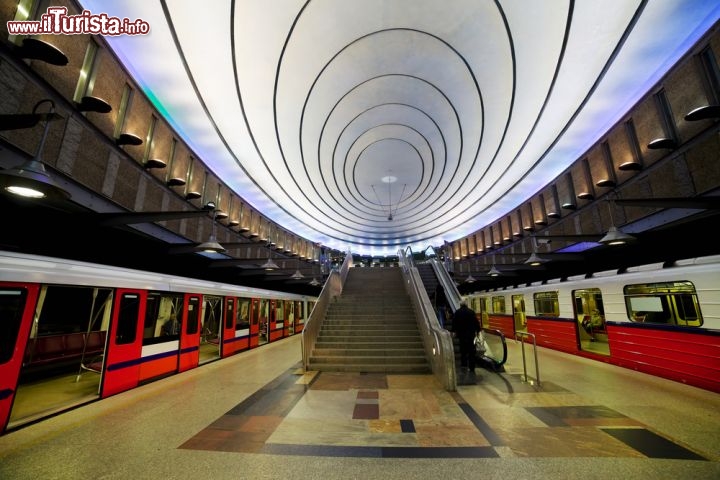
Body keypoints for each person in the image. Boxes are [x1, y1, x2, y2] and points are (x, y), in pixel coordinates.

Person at [451, 301, 481, 373]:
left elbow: (454, 323)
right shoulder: (471, 312)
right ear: (467, 305)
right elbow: (476, 322)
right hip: (471, 335)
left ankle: (464, 365)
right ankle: (472, 367)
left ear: (460, 305)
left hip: (462, 335)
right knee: (471, 351)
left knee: (463, 350)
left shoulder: (457, 312)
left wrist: (453, 331)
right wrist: (478, 330)